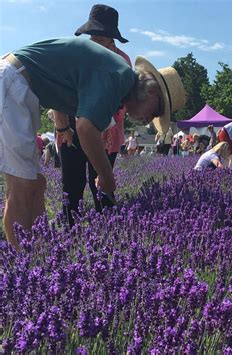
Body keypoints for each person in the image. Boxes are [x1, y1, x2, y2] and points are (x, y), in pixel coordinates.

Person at [0, 37, 185, 249]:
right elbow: (86, 128)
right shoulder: (119, 76)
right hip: (12, 83)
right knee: (22, 185)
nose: (150, 119)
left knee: (37, 183)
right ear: (152, 92)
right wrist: (106, 176)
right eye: (157, 111)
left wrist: (63, 128)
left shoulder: (116, 80)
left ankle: (40, 252)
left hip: (21, 87)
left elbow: (68, 89)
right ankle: (21, 262)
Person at [59, 4, 133, 224]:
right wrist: (62, 126)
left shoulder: (123, 60)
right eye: (94, 34)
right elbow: (59, 92)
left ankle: (108, 230)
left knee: (101, 182)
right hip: (72, 126)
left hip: (107, 129)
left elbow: (125, 97)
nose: (98, 39)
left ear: (113, 38)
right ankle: (69, 229)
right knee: (71, 184)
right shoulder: (77, 55)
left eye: (104, 35)